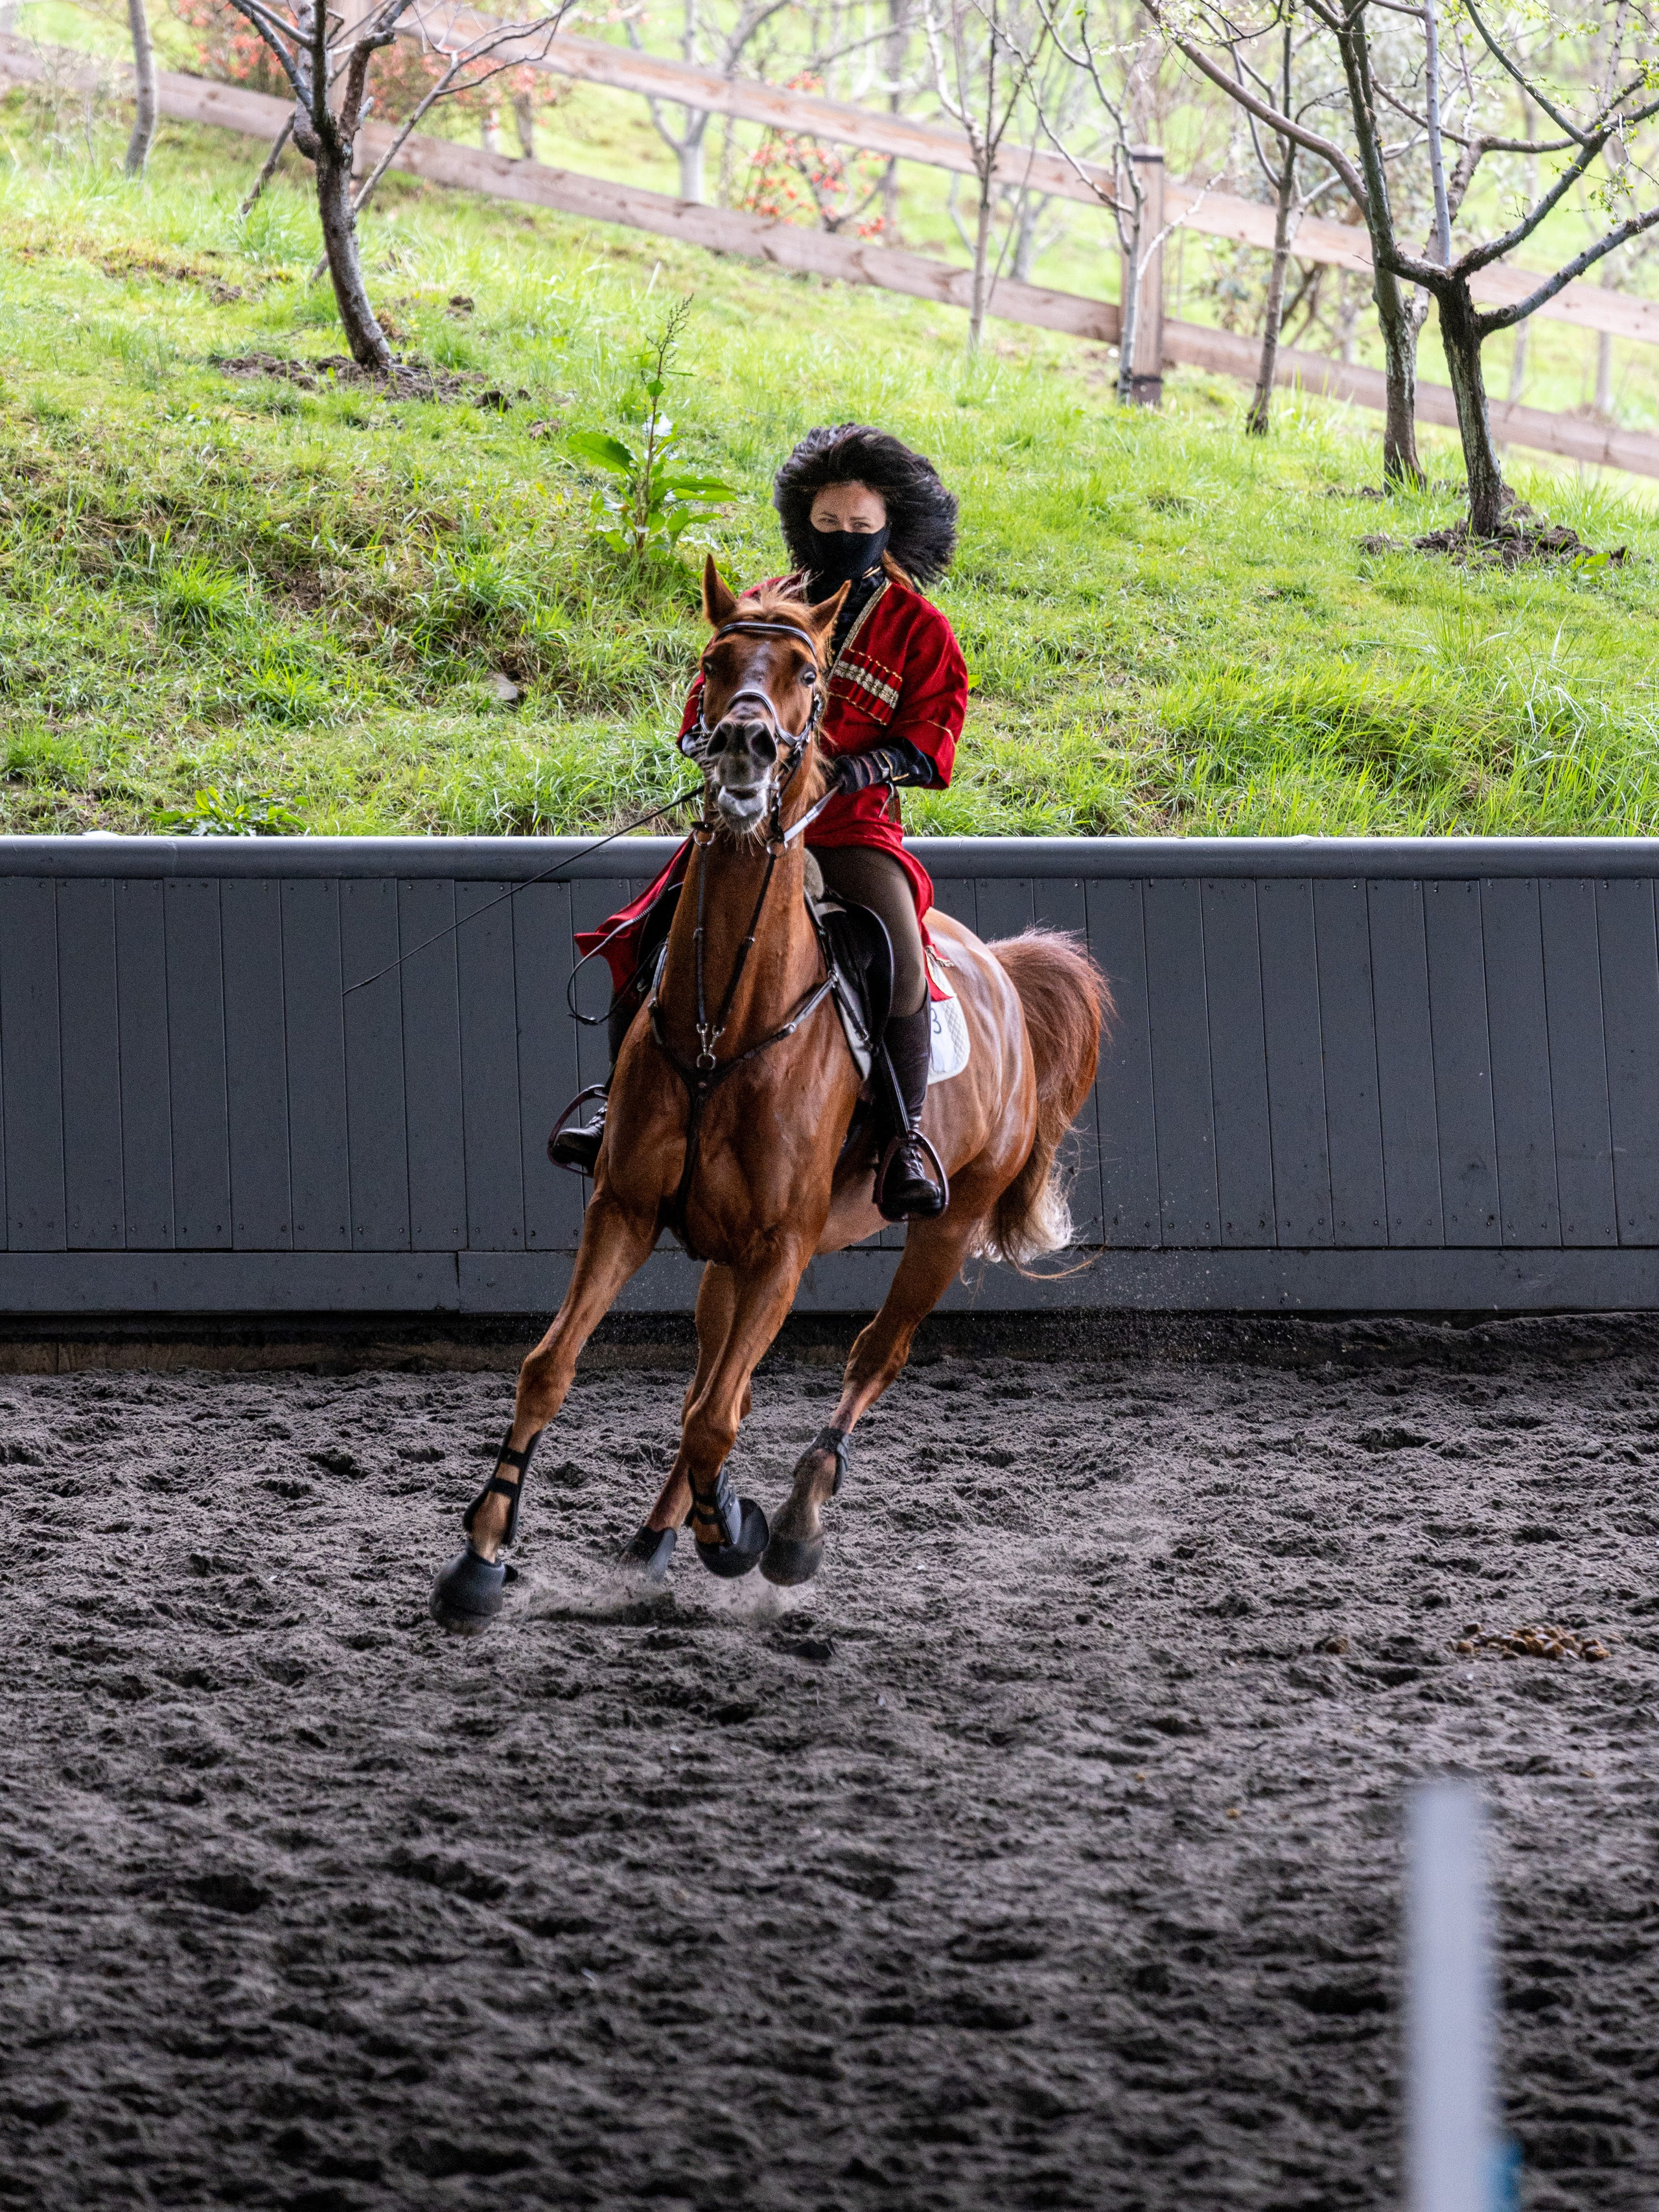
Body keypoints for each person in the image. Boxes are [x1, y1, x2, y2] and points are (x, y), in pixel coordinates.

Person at [551, 423, 969, 1220]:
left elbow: (931, 738)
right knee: (648, 932)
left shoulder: (923, 630)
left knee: (900, 957)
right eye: (828, 525)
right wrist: (707, 746)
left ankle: (905, 1139)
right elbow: (701, 702)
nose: (843, 539)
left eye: (860, 527)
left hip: (849, 831)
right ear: (802, 522)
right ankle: (616, 1107)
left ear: (890, 528)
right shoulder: (762, 606)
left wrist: (858, 767)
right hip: (746, 820)